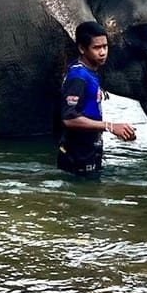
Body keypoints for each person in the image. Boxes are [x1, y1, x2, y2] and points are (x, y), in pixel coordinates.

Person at [56, 21, 136, 177]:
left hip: (90, 150)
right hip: (76, 155)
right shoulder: (78, 77)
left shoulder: (91, 73)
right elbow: (69, 118)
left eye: (105, 47)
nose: (103, 52)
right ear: (82, 48)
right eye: (97, 48)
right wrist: (110, 126)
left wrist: (117, 130)